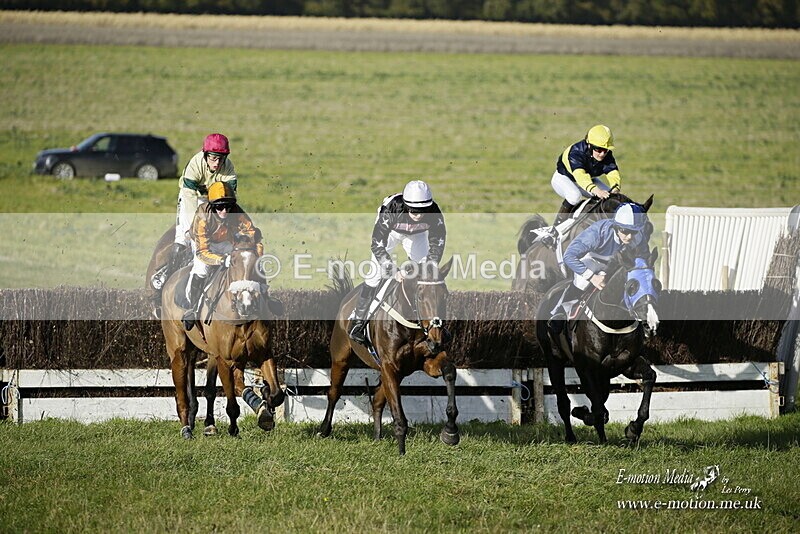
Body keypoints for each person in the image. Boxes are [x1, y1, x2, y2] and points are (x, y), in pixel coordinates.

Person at [348, 180, 446, 345]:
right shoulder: (391, 210)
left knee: (427, 277)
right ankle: (358, 321)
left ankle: (431, 324)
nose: (418, 215)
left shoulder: (434, 213)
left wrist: (429, 266)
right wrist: (392, 270)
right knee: (374, 275)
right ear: (406, 205)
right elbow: (377, 244)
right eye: (414, 211)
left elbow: (437, 243)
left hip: (417, 235)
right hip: (391, 233)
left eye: (423, 211)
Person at [548, 203, 649, 336]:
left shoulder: (638, 236)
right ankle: (560, 312)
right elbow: (569, 256)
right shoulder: (597, 234)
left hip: (618, 264)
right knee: (582, 282)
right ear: (616, 226)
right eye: (625, 231)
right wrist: (592, 277)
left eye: (634, 232)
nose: (630, 236)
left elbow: (643, 259)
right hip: (593, 260)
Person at [182, 181, 261, 330]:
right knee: (201, 269)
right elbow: (202, 251)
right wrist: (222, 260)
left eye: (228, 206)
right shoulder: (202, 215)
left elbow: (252, 235)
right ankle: (192, 309)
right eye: (219, 207)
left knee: (247, 261)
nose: (224, 211)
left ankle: (266, 298)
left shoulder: (237, 212)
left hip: (226, 241)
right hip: (203, 243)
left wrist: (256, 257)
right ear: (212, 206)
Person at [163, 133, 238, 285]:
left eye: (221, 158)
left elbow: (229, 199)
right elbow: (189, 197)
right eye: (213, 158)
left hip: (214, 201)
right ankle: (166, 276)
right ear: (205, 155)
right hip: (192, 197)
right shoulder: (195, 165)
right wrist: (193, 226)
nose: (217, 163)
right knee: (183, 240)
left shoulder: (228, 168)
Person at [551, 124, 622, 227]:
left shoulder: (607, 155)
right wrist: (596, 191)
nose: (602, 154)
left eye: (605, 150)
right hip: (564, 179)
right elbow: (581, 176)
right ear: (589, 145)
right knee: (574, 196)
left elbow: (612, 172)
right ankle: (556, 227)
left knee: (610, 199)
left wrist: (615, 188)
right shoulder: (576, 152)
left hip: (589, 180)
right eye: (598, 149)